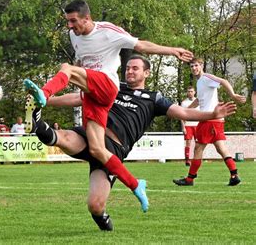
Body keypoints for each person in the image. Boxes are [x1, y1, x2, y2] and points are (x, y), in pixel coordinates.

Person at [26, 55, 236, 231]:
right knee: (63, 138)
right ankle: (37, 123)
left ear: (146, 73)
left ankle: (105, 222)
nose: (130, 71)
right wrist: (44, 99)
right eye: (127, 68)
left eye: (135, 68)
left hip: (113, 150)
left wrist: (211, 114)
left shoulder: (154, 99)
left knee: (95, 206)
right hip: (92, 133)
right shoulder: (114, 87)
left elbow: (183, 112)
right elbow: (78, 98)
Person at [24, 0, 193, 212]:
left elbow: (141, 45)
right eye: (67, 21)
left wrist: (171, 50)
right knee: (97, 149)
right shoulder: (73, 36)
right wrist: (74, 76)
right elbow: (80, 66)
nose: (69, 26)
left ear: (87, 18)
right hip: (91, 95)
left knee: (65, 68)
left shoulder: (108, 31)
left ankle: (44, 93)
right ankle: (135, 184)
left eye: (73, 21)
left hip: (106, 87)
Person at [173, 58, 246, 186]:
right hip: (216, 120)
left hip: (209, 119)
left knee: (198, 148)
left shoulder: (206, 78)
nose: (194, 68)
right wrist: (184, 110)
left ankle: (190, 179)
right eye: (191, 66)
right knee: (221, 148)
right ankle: (234, 175)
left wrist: (233, 95)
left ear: (201, 66)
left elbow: (223, 81)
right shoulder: (200, 82)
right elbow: (199, 101)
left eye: (196, 65)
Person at [180, 85, 199, 166]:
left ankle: (196, 159)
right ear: (187, 93)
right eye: (189, 91)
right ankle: (187, 160)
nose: (190, 93)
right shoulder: (184, 103)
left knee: (198, 143)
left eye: (191, 91)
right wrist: (183, 127)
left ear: (194, 92)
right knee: (188, 142)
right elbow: (181, 116)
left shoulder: (199, 101)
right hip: (188, 125)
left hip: (198, 125)